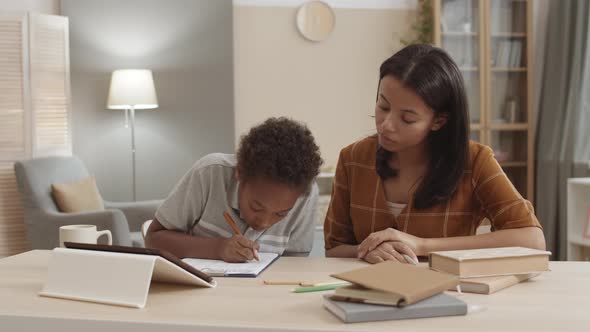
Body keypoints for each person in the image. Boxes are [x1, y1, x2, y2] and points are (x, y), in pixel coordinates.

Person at [324, 44, 545, 264]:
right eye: (383, 106)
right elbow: (334, 248)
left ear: (439, 121)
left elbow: (532, 240)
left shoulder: (475, 161)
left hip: (450, 293)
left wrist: (423, 245)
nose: (386, 125)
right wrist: (364, 251)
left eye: (407, 118)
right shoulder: (353, 159)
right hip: (366, 294)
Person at [146, 117, 323, 262]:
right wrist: (217, 248)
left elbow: (296, 264)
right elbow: (153, 240)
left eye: (281, 214)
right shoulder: (210, 173)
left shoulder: (306, 194)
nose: (264, 223)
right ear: (239, 173)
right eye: (256, 207)